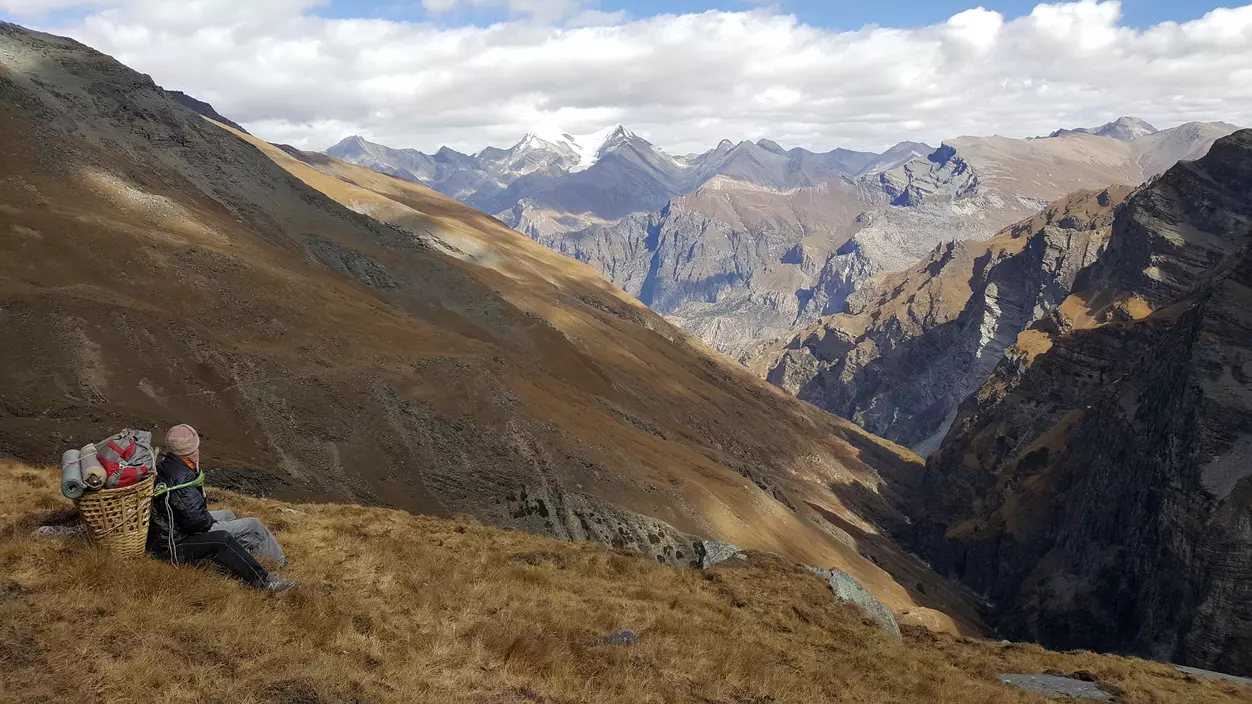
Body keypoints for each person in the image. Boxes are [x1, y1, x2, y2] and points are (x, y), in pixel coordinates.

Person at [147, 424, 295, 591]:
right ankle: (268, 578)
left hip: (167, 534)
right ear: (193, 448)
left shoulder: (169, 465)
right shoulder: (182, 478)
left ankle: (241, 557)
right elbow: (197, 523)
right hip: (175, 545)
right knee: (253, 527)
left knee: (228, 514)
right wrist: (208, 518)